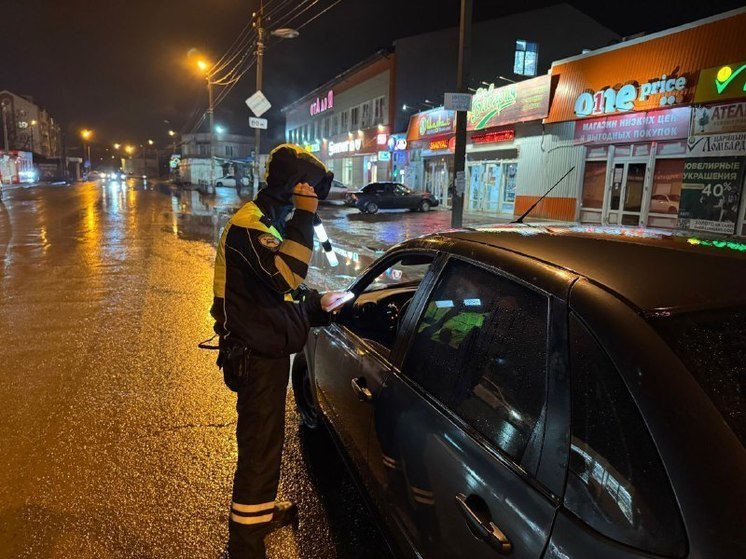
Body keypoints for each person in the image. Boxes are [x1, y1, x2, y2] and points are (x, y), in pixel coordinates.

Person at [210, 144, 348, 558]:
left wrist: (316, 305)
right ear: (294, 188)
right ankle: (247, 544)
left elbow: (277, 296)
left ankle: (261, 513)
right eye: (307, 194)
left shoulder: (266, 226)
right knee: (259, 449)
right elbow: (286, 275)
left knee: (267, 446)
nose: (309, 204)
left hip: (263, 350)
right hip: (253, 356)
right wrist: (305, 215)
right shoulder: (248, 227)